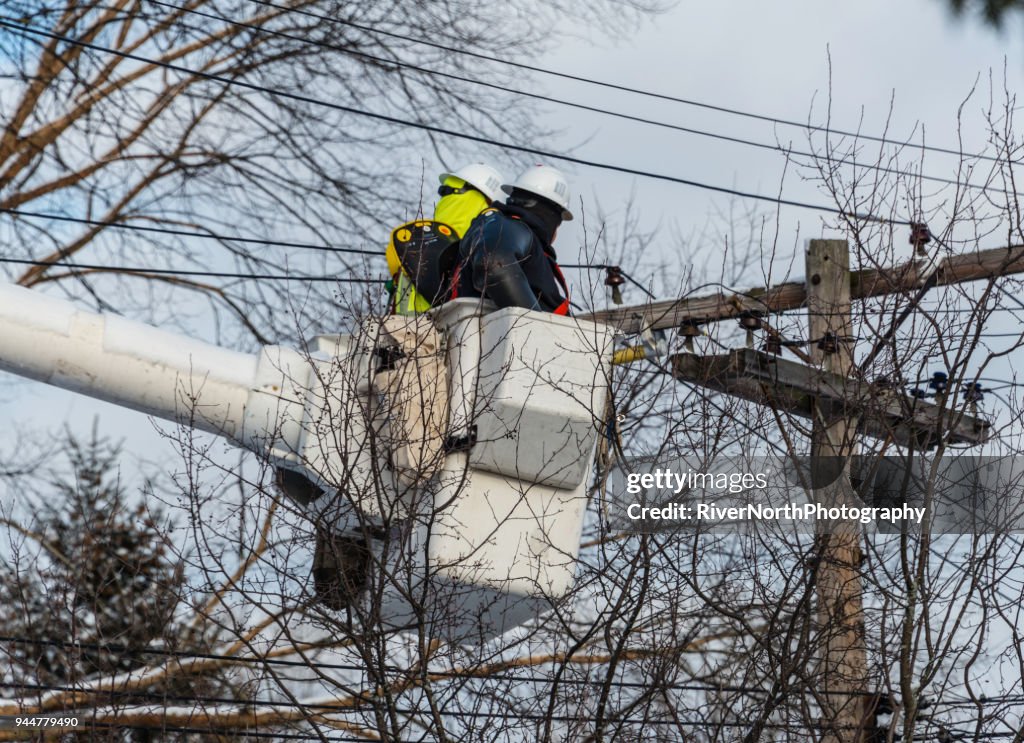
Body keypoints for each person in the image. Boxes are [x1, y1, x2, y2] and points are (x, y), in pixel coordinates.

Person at [386, 162, 504, 316]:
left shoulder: (415, 239)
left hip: (408, 329)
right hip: (453, 327)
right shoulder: (483, 244)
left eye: (447, 192)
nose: (444, 198)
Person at [452, 164, 572, 315]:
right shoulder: (510, 229)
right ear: (551, 216)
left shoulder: (514, 238)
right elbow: (495, 261)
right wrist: (532, 328)